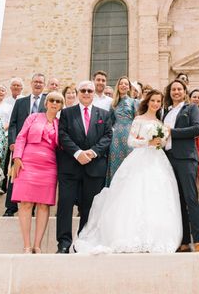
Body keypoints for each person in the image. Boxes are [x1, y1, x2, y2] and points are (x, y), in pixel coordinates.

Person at [74, 90, 182, 253]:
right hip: (139, 159)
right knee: (135, 194)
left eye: (158, 101)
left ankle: (154, 236)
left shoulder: (161, 124)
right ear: (147, 101)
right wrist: (148, 141)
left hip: (158, 161)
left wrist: (161, 141)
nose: (155, 104)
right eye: (153, 100)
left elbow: (163, 145)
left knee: (156, 195)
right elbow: (131, 141)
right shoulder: (138, 119)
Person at [56, 80, 113, 253]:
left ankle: (83, 241)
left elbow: (107, 136)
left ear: (94, 93)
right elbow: (63, 135)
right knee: (65, 205)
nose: (86, 93)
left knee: (89, 207)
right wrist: (77, 153)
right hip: (70, 167)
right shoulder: (66, 113)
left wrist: (93, 152)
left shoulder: (104, 114)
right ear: (78, 92)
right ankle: (64, 243)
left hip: (94, 167)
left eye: (90, 90)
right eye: (83, 90)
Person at [12, 91, 63, 253]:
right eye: (52, 100)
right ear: (46, 103)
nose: (54, 103)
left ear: (61, 106)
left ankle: (37, 245)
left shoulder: (61, 123)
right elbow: (21, 137)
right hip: (27, 162)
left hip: (49, 166)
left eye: (58, 101)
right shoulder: (33, 117)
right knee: (25, 203)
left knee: (43, 205)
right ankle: (27, 245)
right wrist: (17, 157)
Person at [163, 79, 199, 253]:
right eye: (173, 89)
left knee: (190, 199)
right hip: (168, 158)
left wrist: (172, 132)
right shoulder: (165, 112)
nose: (176, 92)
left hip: (186, 158)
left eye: (179, 89)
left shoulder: (191, 108)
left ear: (184, 91)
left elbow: (197, 130)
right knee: (177, 200)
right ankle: (185, 241)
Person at [3, 73, 47, 217]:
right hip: (20, 146)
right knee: (14, 175)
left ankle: (32, 209)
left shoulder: (48, 102)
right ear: (31, 83)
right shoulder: (21, 102)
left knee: (33, 178)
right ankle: (10, 208)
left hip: (38, 147)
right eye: (36, 82)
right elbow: (13, 123)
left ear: (44, 84)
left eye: (41, 82)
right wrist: (13, 142)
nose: (38, 84)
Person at [105, 76, 136, 185]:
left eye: (126, 84)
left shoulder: (134, 102)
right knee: (116, 163)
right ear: (118, 86)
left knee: (130, 164)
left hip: (130, 134)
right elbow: (110, 122)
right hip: (116, 136)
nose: (123, 85)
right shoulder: (113, 104)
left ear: (129, 87)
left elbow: (137, 119)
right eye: (121, 83)